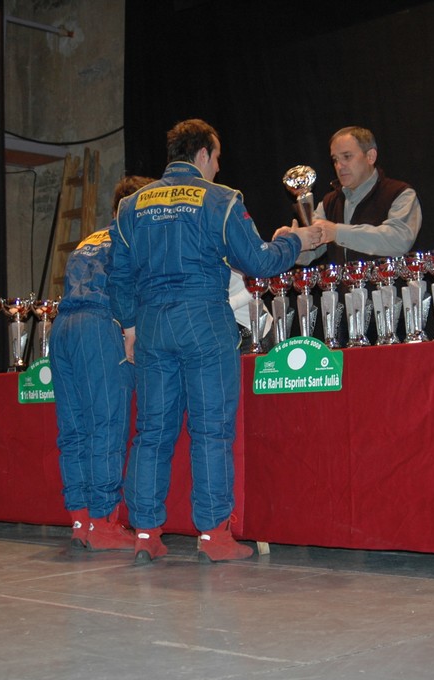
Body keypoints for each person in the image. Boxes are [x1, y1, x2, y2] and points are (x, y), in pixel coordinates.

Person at [108, 119, 320, 564]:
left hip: (151, 325)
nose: (219, 167)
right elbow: (257, 262)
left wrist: (129, 328)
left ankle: (145, 533)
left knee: (152, 432)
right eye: (217, 157)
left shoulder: (131, 205)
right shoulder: (220, 199)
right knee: (211, 430)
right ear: (203, 153)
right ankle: (214, 536)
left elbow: (119, 274)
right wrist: (295, 241)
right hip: (203, 319)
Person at [49, 175, 154, 552]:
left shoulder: (90, 238)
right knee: (106, 426)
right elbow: (128, 288)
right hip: (99, 325)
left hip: (62, 328)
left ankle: (80, 521)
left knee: (73, 429)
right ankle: (105, 521)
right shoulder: (132, 237)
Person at [294, 125, 422, 266]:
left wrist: (337, 232)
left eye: (347, 156)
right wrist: (291, 244)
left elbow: (399, 241)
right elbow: (309, 254)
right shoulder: (328, 203)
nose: (339, 166)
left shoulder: (400, 193)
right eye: (335, 160)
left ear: (370, 156)